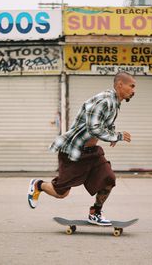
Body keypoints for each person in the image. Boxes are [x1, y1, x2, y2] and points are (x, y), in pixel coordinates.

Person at [27, 72, 136, 226]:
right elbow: (94, 128)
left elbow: (105, 121)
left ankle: (95, 213)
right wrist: (116, 136)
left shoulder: (115, 103)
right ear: (120, 85)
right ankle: (38, 185)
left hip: (92, 153)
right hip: (74, 152)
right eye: (131, 86)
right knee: (61, 193)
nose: (134, 90)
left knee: (108, 179)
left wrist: (111, 133)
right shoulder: (104, 100)